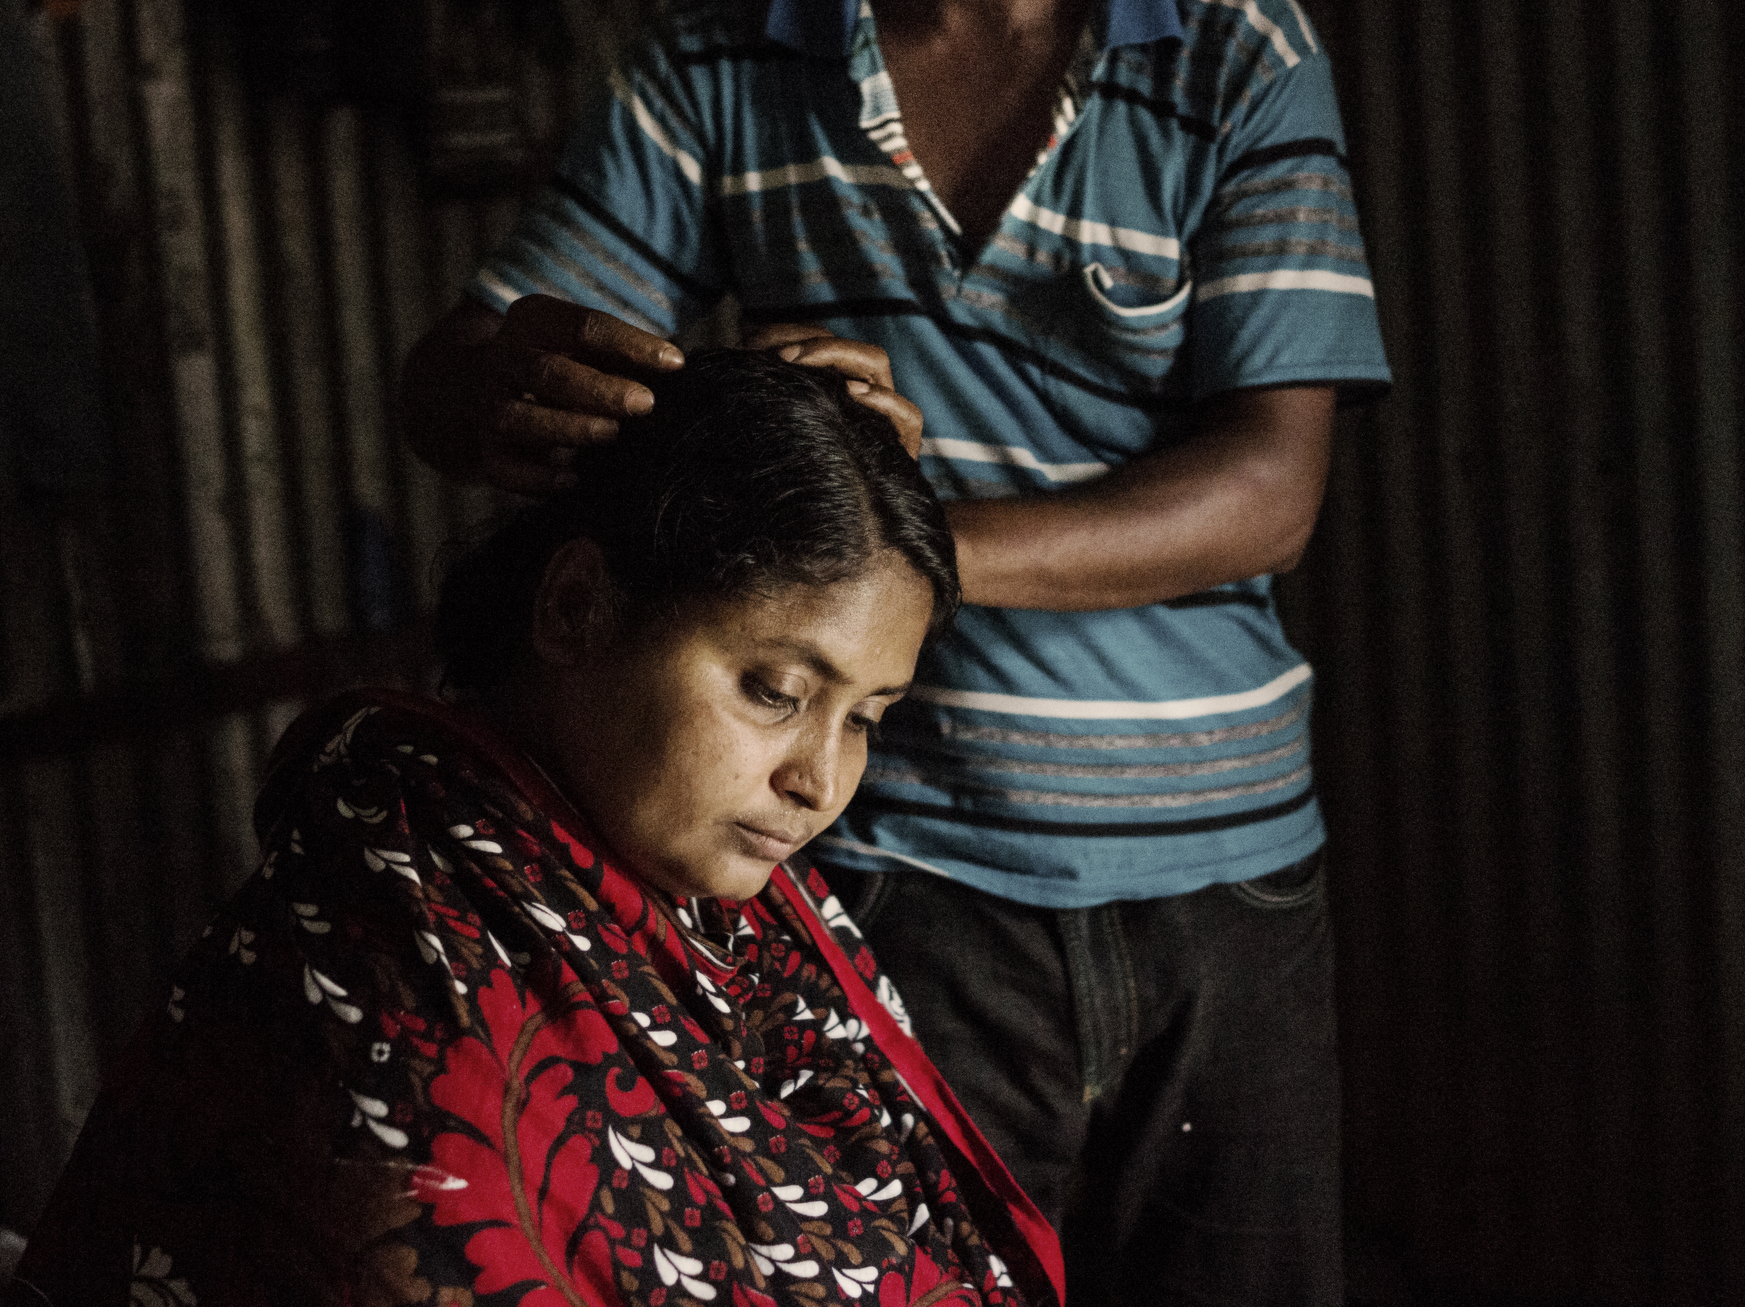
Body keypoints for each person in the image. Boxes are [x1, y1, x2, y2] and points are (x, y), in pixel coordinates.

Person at [397, 0, 1392, 1300]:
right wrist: (510, 385)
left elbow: (1267, 494)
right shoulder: (718, 69)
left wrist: (887, 541)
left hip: (1224, 892)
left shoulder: (1238, 52)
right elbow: (459, 373)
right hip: (895, 884)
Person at [8, 351, 1062, 1307]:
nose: (820, 780)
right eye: (776, 690)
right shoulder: (395, 970)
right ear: (576, 610)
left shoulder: (745, 912)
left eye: (868, 719)